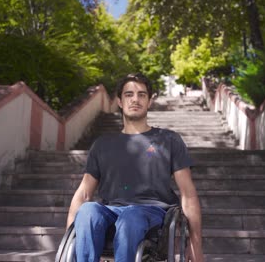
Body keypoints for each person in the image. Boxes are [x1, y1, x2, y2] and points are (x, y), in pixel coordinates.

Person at [66, 73, 204, 262]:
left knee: (131, 216)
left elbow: (188, 194)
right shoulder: (102, 144)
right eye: (129, 94)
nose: (135, 99)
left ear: (149, 101)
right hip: (111, 212)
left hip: (153, 214)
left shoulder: (169, 139)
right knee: (88, 210)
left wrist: (195, 246)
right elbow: (83, 194)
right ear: (120, 102)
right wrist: (67, 238)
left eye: (141, 94)